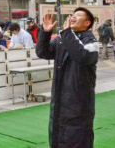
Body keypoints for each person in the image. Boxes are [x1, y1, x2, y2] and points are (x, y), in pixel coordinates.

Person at [36, 8, 99, 148]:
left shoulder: (91, 41)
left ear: (87, 23)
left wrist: (67, 34)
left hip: (78, 101)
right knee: (58, 136)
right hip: (60, 99)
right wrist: (45, 33)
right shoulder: (63, 38)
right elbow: (43, 52)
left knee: (77, 138)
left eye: (78, 15)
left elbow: (83, 56)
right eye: (72, 15)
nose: (73, 17)